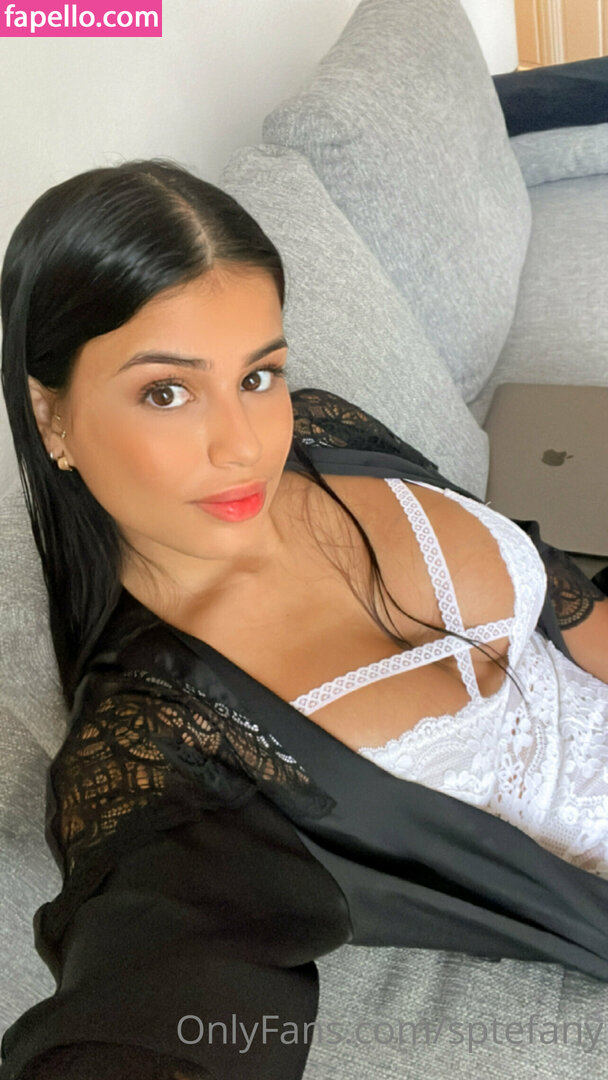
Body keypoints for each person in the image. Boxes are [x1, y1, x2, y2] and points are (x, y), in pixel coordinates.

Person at [1, 157, 608, 1080]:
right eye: (166, 392)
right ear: (51, 416)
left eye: (258, 375)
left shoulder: (326, 430)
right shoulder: (154, 736)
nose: (245, 446)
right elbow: (155, 980)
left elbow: (562, 599)